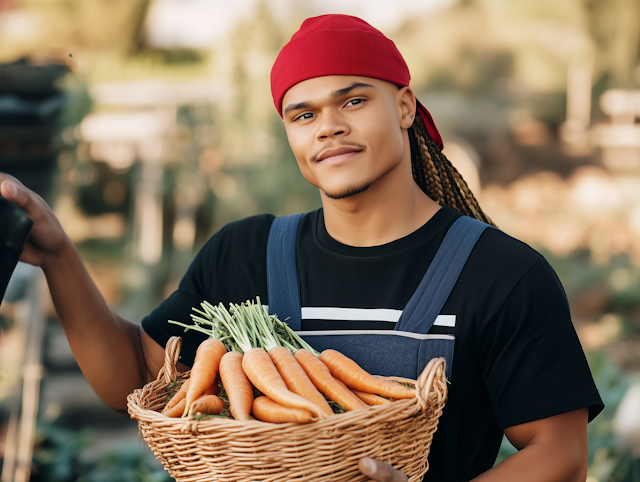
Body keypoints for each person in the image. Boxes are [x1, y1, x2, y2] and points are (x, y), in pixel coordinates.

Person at [0, 14, 602, 482]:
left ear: (405, 106)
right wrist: (59, 256)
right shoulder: (244, 254)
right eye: (303, 113)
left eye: (354, 100)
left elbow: (560, 453)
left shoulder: (501, 273)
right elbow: (134, 374)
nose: (328, 126)